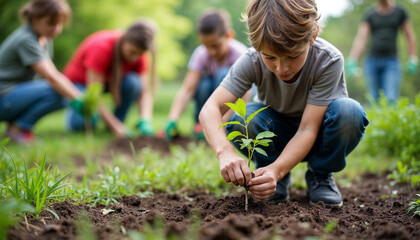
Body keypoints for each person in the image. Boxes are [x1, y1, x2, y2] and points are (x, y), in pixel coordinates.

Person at [199, 0, 369, 207]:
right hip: (274, 132)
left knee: (349, 112)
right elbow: (210, 109)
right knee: (241, 119)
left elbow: (307, 129)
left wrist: (278, 169)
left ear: (313, 36)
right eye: (270, 57)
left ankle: (320, 175)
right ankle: (268, 173)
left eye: (293, 56)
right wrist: (224, 152)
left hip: (319, 135)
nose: (281, 68)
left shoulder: (328, 60)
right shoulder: (252, 60)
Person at [0, 0, 87, 144]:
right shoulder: (26, 39)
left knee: (63, 89)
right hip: (3, 98)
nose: (57, 29)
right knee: (57, 89)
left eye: (60, 24)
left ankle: (17, 128)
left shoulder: (43, 38)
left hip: (12, 96)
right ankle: (18, 130)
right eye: (51, 24)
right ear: (35, 18)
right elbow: (51, 76)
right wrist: (79, 98)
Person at [158, 9, 248, 139]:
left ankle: (220, 125)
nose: (211, 52)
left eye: (215, 45)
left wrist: (220, 124)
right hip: (211, 97)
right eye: (206, 46)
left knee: (224, 74)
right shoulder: (201, 54)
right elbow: (187, 89)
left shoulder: (240, 54)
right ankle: (200, 125)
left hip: (235, 102)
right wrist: (172, 119)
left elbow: (244, 96)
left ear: (228, 35)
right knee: (203, 84)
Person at [63, 19, 157, 138]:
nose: (135, 58)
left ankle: (117, 122)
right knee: (79, 126)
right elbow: (95, 93)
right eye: (132, 52)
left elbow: (144, 90)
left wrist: (146, 120)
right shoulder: (101, 47)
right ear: (124, 40)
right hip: (79, 85)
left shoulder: (138, 52)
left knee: (133, 83)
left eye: (140, 54)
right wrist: (115, 127)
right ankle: (112, 125)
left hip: (107, 83)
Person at [347, 0, 418, 103]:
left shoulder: (400, 12)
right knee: (373, 99)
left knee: (391, 98)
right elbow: (362, 37)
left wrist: (413, 57)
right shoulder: (370, 14)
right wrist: (352, 59)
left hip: (392, 61)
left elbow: (409, 35)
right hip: (372, 61)